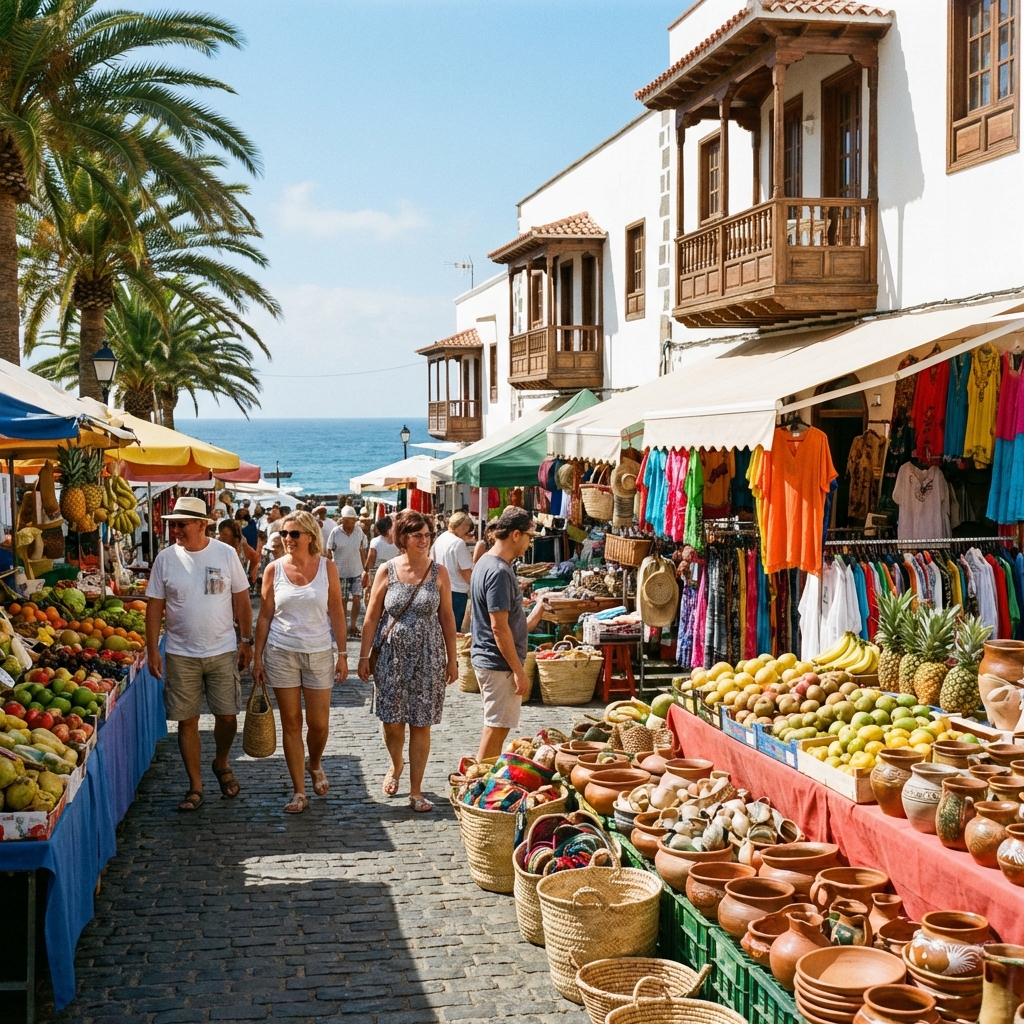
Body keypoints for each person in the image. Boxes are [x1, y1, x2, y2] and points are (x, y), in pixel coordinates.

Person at [145, 496, 253, 812]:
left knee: (228, 717)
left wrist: (246, 641)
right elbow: (154, 607)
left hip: (222, 649)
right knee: (186, 721)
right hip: (180, 652)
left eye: (182, 524)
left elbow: (242, 600)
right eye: (173, 524)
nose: (175, 529)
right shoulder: (165, 559)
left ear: (202, 524)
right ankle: (195, 785)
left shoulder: (225, 553)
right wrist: (153, 650)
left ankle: (221, 761)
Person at [357, 510, 458, 812]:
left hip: (428, 657)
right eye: (418, 535)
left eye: (428, 535)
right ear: (403, 539)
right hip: (391, 656)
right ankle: (396, 763)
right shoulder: (386, 571)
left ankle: (416, 790)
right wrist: (364, 656)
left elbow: (447, 617)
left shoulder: (438, 572)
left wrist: (453, 660)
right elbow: (373, 615)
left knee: (421, 723)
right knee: (392, 723)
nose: (425, 540)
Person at [253, 511, 348, 813]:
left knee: (318, 724)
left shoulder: (327, 568)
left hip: (319, 651)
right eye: (283, 534)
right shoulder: (273, 570)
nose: (288, 540)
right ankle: (298, 791)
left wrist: (343, 654)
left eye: (294, 534)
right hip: (281, 652)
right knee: (291, 723)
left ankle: (315, 762)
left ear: (310, 535)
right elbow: (265, 615)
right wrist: (257, 657)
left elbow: (336, 612)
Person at [469, 507, 548, 762]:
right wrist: (519, 671)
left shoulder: (486, 562)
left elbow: (508, 622)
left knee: (496, 726)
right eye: (529, 536)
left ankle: (480, 780)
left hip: (489, 659)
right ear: (515, 534)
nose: (529, 543)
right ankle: (477, 784)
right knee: (496, 728)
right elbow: (499, 627)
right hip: (497, 663)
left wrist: (535, 610)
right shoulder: (500, 571)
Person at [326, 505, 368, 637]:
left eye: (352, 521)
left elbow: (362, 550)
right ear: (342, 520)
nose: (350, 524)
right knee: (343, 600)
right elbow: (328, 551)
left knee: (357, 599)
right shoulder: (335, 532)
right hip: (340, 572)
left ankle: (353, 625)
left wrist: (365, 569)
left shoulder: (359, 532)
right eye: (347, 521)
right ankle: (343, 625)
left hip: (356, 571)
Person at [431, 511, 474, 631]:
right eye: (467, 527)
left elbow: (432, 562)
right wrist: (475, 587)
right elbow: (465, 571)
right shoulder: (458, 543)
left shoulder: (440, 538)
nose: (468, 531)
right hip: (457, 592)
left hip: (441, 589)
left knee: (442, 628)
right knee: (454, 631)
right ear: (461, 526)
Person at [218, 518, 260, 588]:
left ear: (234, 535)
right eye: (220, 534)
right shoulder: (218, 543)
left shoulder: (243, 546)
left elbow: (255, 558)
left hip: (239, 585)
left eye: (225, 534)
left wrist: (251, 572)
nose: (221, 537)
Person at [362, 516, 400, 590]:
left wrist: (366, 570)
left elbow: (370, 563)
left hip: (378, 573)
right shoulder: (399, 541)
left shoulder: (375, 542)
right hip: (395, 573)